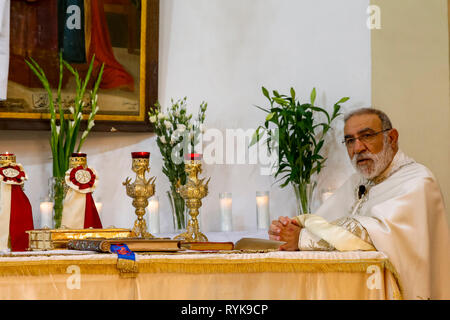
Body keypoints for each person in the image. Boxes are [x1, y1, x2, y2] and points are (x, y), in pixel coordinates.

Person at [269, 107, 450, 300]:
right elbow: (324, 222)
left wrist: (302, 238)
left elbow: (371, 236)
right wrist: (293, 227)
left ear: (392, 138)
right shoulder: (357, 181)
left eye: (367, 136)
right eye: (349, 140)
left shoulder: (418, 180)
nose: (357, 148)